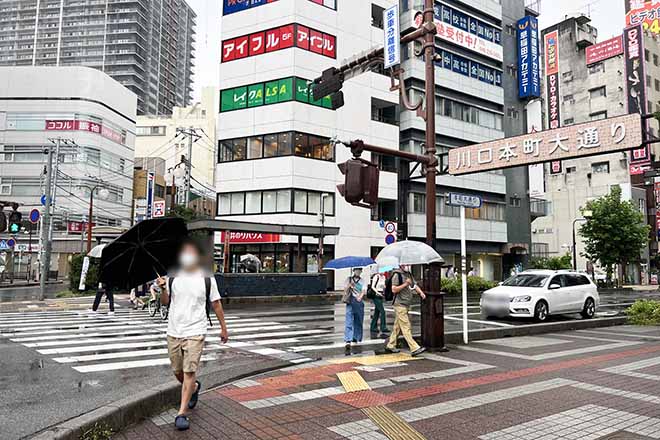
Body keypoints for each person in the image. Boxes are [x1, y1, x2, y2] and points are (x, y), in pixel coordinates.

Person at [160, 238, 229, 431]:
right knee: (177, 372)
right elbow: (165, 302)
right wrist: (162, 288)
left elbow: (216, 303)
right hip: (174, 330)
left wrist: (224, 328)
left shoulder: (206, 277)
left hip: (196, 331)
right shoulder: (172, 276)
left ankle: (181, 413)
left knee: (190, 371)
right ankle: (195, 388)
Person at [385, 265, 426, 357]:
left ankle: (390, 345)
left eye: (409, 264)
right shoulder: (397, 275)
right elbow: (394, 289)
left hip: (406, 304)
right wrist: (405, 284)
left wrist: (421, 292)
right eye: (405, 264)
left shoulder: (408, 274)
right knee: (406, 325)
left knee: (397, 327)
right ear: (401, 265)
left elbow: (414, 285)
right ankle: (414, 348)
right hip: (399, 304)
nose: (408, 266)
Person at [343, 267, 366, 350]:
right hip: (350, 301)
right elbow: (345, 290)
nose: (358, 272)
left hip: (359, 302)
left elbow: (363, 290)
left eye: (360, 270)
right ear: (353, 271)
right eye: (356, 270)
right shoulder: (348, 279)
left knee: (358, 320)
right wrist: (349, 286)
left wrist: (360, 297)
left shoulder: (362, 281)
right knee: (349, 320)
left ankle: (356, 337)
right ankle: (348, 340)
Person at [369, 271, 389, 338]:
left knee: (377, 312)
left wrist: (384, 289)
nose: (382, 272)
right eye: (381, 270)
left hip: (381, 295)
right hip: (376, 295)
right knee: (382, 311)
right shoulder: (376, 276)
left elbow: (384, 286)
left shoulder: (383, 277)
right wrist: (377, 292)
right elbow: (372, 286)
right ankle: (383, 327)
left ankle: (373, 327)